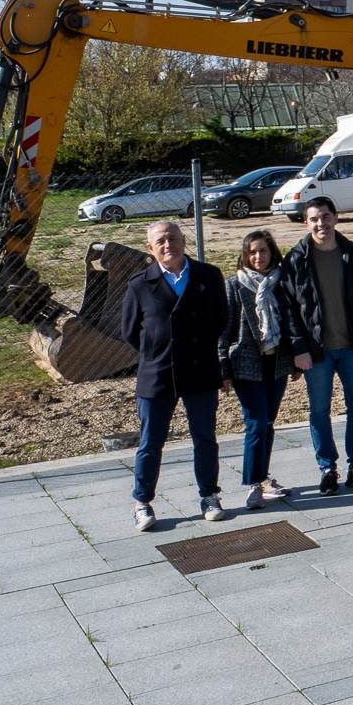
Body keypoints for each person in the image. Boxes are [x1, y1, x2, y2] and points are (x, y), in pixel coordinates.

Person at [121, 220, 229, 531]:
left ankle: (209, 496)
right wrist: (158, 350)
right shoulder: (139, 284)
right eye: (161, 241)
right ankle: (142, 502)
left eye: (173, 238)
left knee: (205, 439)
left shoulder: (209, 276)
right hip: (157, 374)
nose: (169, 245)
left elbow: (221, 319)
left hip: (201, 370)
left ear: (183, 240)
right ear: (150, 249)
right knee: (150, 442)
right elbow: (130, 332)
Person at [279, 197, 353, 496]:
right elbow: (289, 309)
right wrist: (299, 348)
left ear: (335, 218)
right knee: (319, 411)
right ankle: (327, 468)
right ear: (306, 223)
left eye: (325, 216)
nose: (321, 223)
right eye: (314, 219)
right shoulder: (296, 258)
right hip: (316, 351)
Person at [218, 229, 293, 510]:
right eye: (252, 252)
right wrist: (223, 366)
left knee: (269, 423)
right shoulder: (235, 285)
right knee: (256, 422)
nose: (258, 256)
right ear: (244, 255)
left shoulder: (282, 281)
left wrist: (296, 358)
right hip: (245, 365)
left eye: (263, 250)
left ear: (272, 251)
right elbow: (224, 331)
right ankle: (252, 482)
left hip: (276, 363)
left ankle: (263, 477)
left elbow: (291, 321)